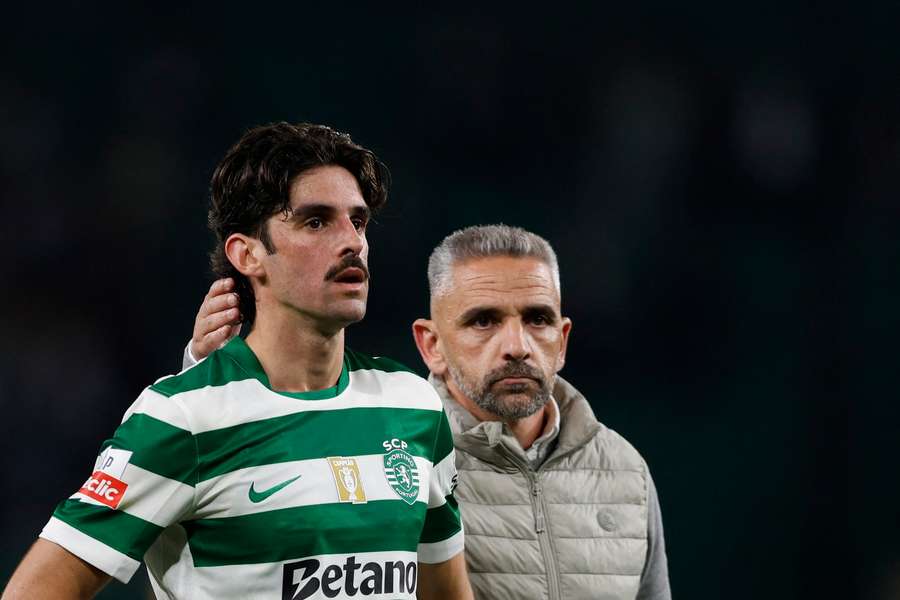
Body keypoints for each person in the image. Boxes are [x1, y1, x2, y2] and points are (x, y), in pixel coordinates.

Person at [3, 123, 472, 600]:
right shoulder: (182, 418)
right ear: (247, 253)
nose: (352, 241)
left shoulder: (413, 405)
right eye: (316, 221)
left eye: (358, 221)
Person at [184, 225, 672, 599]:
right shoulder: (379, 446)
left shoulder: (623, 469)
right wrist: (206, 376)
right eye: (484, 320)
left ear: (562, 339)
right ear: (431, 345)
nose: (516, 346)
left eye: (537, 319)